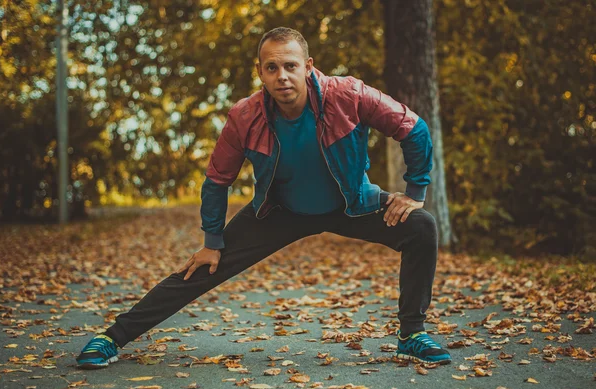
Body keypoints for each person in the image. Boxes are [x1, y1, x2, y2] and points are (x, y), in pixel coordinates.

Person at [76, 27, 451, 369]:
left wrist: (415, 193)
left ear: (308, 66)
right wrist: (212, 241)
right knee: (203, 266)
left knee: (420, 227)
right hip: (279, 211)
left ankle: (411, 334)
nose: (282, 76)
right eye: (271, 68)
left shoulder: (348, 95)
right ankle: (112, 338)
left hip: (351, 204)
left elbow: (412, 127)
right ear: (260, 72)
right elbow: (216, 180)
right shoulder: (245, 116)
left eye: (290, 65)